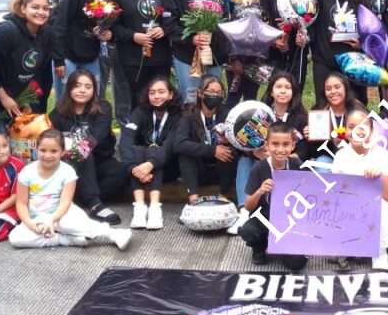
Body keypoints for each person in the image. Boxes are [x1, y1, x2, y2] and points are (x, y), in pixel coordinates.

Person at [7, 130, 131, 250]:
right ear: (36, 150)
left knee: (69, 224)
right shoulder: (26, 172)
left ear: (62, 152)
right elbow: (21, 203)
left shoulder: (67, 171)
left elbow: (65, 202)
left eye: (54, 151)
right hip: (36, 218)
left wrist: (52, 220)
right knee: (16, 238)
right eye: (43, 150)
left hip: (62, 214)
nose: (47, 155)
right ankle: (64, 239)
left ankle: (113, 234)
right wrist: (29, 223)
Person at [48, 69, 129, 226]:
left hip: (100, 162)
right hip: (72, 165)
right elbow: (51, 140)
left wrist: (77, 148)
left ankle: (78, 199)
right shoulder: (58, 112)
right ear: (69, 88)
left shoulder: (103, 108)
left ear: (94, 90)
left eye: (88, 86)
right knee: (82, 153)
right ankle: (94, 204)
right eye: (77, 86)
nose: (82, 90)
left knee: (122, 171)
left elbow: (97, 136)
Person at [232, 70, 309, 233]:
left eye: (287, 87)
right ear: (271, 91)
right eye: (278, 86)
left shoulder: (301, 117)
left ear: (293, 92)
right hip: (262, 163)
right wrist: (255, 153)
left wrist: (284, 155)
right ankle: (244, 211)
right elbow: (245, 143)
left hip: (287, 164)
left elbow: (304, 150)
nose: (283, 91)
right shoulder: (259, 114)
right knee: (244, 161)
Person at [0, 0, 53, 132]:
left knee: (23, 136)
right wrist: (4, 98)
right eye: (35, 7)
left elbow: (36, 71)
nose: (41, 12)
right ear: (23, 9)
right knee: (0, 137)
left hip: (14, 94)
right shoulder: (7, 32)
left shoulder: (46, 34)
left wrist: (25, 100)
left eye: (45, 8)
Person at [330, 106, 388, 270]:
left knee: (379, 206)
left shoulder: (382, 155)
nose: (356, 131)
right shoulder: (341, 156)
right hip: (353, 208)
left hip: (382, 207)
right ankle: (354, 242)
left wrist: (380, 177)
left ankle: (379, 252)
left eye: (362, 127)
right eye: (351, 127)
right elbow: (336, 194)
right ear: (345, 130)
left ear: (371, 131)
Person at [238, 121, 308, 270]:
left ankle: (283, 246)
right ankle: (259, 247)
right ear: (267, 145)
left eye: (285, 144)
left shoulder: (297, 165)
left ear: (292, 145)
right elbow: (248, 206)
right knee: (248, 231)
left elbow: (311, 196)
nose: (280, 149)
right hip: (265, 219)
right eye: (275, 144)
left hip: (289, 222)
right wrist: (260, 191)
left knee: (297, 264)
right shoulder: (259, 168)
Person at [165, 0, 227, 104]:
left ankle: (210, 128)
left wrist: (212, 35)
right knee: (190, 99)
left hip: (213, 54)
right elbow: (170, 24)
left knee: (212, 98)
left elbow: (224, 16)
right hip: (186, 55)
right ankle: (189, 129)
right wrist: (191, 38)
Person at [111, 0, 172, 107]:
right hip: (132, 60)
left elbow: (172, 16)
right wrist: (133, 36)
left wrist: (163, 29)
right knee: (137, 102)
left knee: (161, 100)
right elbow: (113, 27)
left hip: (160, 58)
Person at [121, 76, 182, 231]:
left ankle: (155, 208)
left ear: (170, 94)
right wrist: (133, 168)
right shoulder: (140, 111)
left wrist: (151, 164)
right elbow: (126, 139)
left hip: (168, 166)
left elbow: (170, 145)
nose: (156, 96)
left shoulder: (179, 114)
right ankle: (140, 208)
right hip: (140, 168)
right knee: (137, 149)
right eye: (152, 92)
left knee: (155, 150)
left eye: (161, 92)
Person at [53, 0, 116, 99]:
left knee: (91, 97)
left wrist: (107, 32)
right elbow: (60, 22)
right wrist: (58, 59)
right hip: (69, 55)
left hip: (92, 55)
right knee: (65, 100)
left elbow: (115, 22)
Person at [311, 0, 367, 104]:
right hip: (325, 58)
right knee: (324, 102)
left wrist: (361, 44)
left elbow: (368, 26)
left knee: (355, 103)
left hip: (353, 59)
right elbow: (312, 24)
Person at [173, 75, 237, 204]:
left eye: (219, 93)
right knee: (185, 155)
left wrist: (228, 141)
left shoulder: (228, 114)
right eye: (211, 92)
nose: (215, 95)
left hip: (222, 170)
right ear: (200, 93)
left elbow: (239, 143)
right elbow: (179, 144)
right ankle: (193, 200)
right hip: (199, 169)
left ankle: (225, 195)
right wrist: (212, 150)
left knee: (228, 151)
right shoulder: (188, 114)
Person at [222, 0, 269, 105]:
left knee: (251, 97)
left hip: (256, 54)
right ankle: (227, 128)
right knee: (233, 97)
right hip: (235, 54)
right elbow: (223, 22)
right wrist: (233, 57)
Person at [263, 0, 314, 96]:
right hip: (276, 51)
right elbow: (263, 20)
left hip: (298, 49)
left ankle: (293, 119)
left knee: (295, 90)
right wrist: (274, 39)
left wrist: (306, 37)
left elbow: (313, 21)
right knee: (274, 92)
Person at [305, 71, 360, 162]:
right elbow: (313, 152)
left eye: (337, 87)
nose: (333, 92)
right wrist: (311, 138)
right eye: (328, 89)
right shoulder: (318, 110)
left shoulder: (357, 108)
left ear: (345, 88)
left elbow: (367, 136)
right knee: (322, 163)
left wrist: (344, 136)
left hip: (355, 157)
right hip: (327, 157)